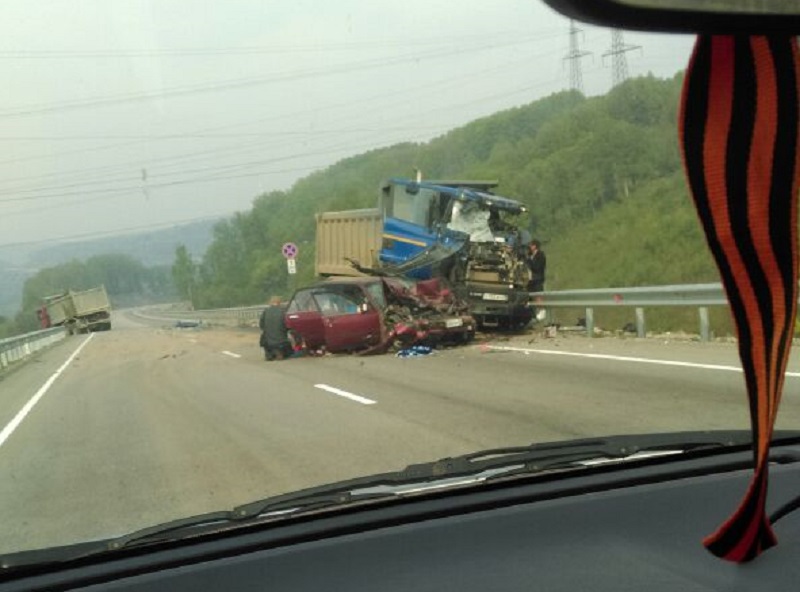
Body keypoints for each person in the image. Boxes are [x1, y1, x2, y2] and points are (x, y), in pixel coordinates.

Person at [259, 296, 292, 361]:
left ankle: (269, 354)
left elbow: (261, 325)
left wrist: (267, 330)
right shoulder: (283, 311)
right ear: (279, 303)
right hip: (282, 340)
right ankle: (279, 352)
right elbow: (288, 325)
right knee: (288, 347)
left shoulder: (266, 311)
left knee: (264, 339)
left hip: (269, 341)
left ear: (271, 303)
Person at [526, 240, 547, 323]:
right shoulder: (530, 255)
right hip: (530, 280)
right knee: (529, 297)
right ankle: (531, 315)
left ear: (535, 246)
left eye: (531, 245)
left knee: (538, 295)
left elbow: (537, 267)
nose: (529, 247)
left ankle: (542, 311)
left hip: (538, 279)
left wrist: (529, 261)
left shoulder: (540, 255)